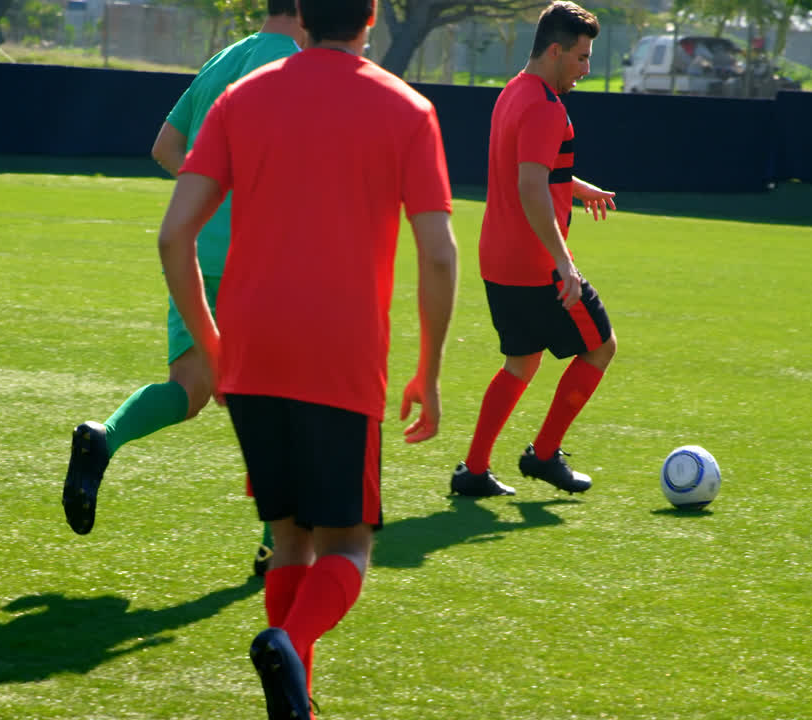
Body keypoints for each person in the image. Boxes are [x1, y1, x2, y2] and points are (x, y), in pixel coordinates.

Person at [156, 0, 458, 715]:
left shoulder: (242, 98)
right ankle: (288, 644)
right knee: (348, 546)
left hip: (252, 352)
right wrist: (430, 373)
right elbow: (439, 257)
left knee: (287, 537)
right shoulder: (407, 109)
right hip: (341, 355)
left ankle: (296, 701)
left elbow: (174, 237)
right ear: (371, 17)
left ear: (303, 14)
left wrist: (211, 345)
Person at [61, 2, 306, 577]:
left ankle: (106, 435)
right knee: (283, 399)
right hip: (258, 260)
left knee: (191, 387)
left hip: (194, 248)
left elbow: (164, 148)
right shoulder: (297, 67)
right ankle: (278, 544)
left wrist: (212, 187)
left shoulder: (227, 57)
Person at [450, 0, 618, 499]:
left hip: (498, 257)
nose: (586, 69)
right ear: (553, 50)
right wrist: (564, 263)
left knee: (520, 363)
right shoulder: (546, 106)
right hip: (535, 264)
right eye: (581, 57)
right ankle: (543, 455)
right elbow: (530, 187)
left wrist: (576, 188)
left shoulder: (514, 92)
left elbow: (534, 170)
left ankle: (474, 471)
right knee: (601, 346)